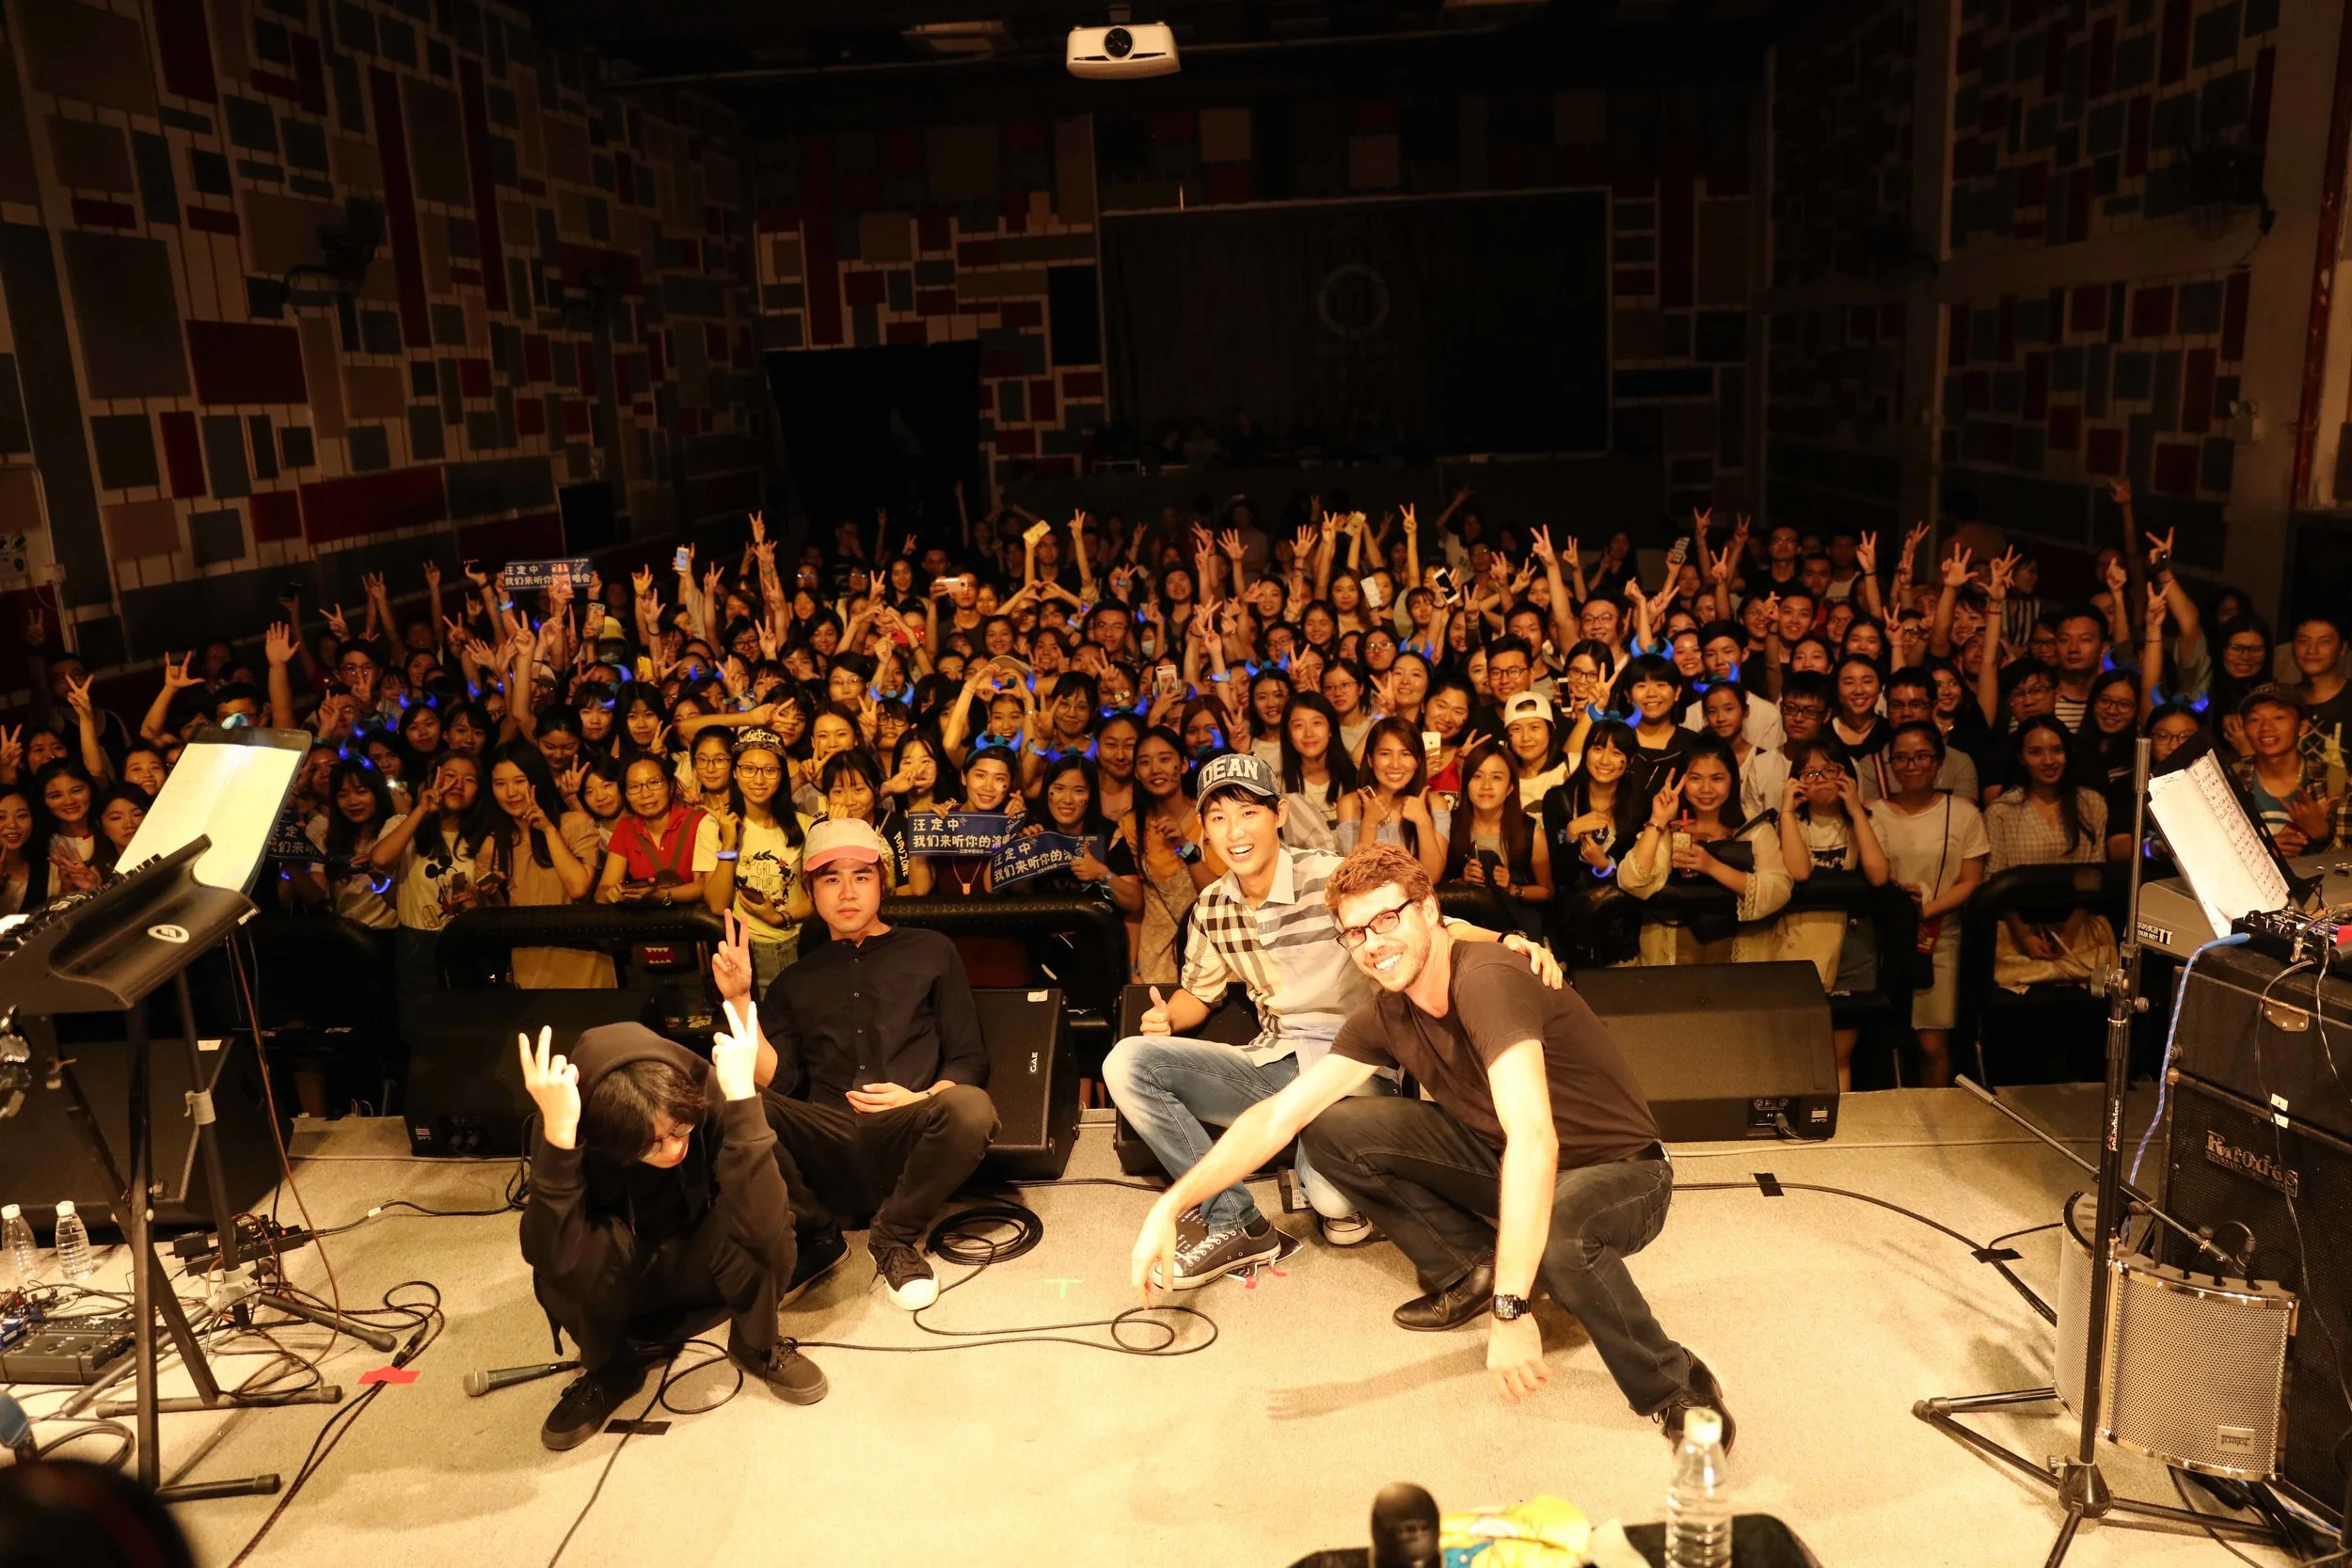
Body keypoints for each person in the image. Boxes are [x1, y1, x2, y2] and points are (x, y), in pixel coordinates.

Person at [1128, 842, 1732, 1444]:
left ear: (1429, 909)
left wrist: (1512, 1309)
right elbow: (1277, 1117)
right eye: (1356, 932)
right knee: (1334, 1127)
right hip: (1503, 1156)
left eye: (1387, 919)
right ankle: (1474, 1268)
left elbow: (1534, 1139)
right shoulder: (1388, 1013)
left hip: (1622, 1170)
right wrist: (1171, 1207)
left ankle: (1675, 1384)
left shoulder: (1487, 980)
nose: (1373, 943)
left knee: (1561, 1239)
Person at [1103, 752, 1562, 1287]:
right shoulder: (1212, 907)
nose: (1235, 831)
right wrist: (1169, 1018)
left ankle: (1315, 1155)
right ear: (1203, 829)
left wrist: (1507, 939)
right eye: (1219, 818)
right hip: (1273, 1061)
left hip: (1351, 1063)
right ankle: (1236, 1220)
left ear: (1278, 814)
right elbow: (1199, 995)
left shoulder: (1328, 877)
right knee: (1127, 1062)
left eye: (1248, 813)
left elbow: (1433, 927)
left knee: (1334, 1204)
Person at [516, 1018, 827, 1450]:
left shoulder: (703, 1088)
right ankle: (611, 1369)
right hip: (623, 1278)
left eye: (681, 1129)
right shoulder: (569, 1120)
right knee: (561, 1253)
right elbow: (550, 1257)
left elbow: (766, 1223)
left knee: (768, 1220)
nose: (674, 1149)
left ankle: (756, 1342)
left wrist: (743, 1100)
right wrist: (559, 1138)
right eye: (650, 1144)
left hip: (704, 1262)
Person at [736, 820, 997, 1311]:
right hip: (828, 1136)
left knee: (970, 1107)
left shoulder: (931, 950)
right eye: (831, 878)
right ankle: (816, 1239)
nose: (847, 892)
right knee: (735, 1096)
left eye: (861, 875)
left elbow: (967, 1058)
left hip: (908, 1127)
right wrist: (738, 998)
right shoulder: (795, 980)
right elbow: (783, 1082)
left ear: (882, 881)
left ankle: (893, 1237)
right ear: (811, 890)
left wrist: (922, 1098)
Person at [1868, 722, 1991, 1085]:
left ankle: (1935, 1113)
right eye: (1901, 758)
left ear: (1939, 761)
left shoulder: (1964, 813)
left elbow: (1971, 880)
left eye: (1922, 756)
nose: (1912, 766)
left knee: (1932, 1044)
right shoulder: (1871, 812)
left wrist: (1922, 913)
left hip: (1939, 938)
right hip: (1881, 941)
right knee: (1882, 1040)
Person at [1775, 740, 1890, 1090]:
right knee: (1799, 1051)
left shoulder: (1868, 821)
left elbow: (1878, 875)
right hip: (1802, 941)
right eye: (1810, 773)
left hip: (1853, 944)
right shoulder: (1791, 823)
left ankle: (1844, 1118)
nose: (1822, 780)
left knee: (1839, 1053)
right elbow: (1798, 872)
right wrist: (1786, 812)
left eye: (1830, 770)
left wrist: (1855, 810)